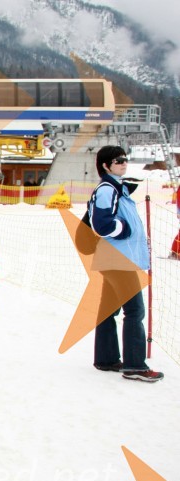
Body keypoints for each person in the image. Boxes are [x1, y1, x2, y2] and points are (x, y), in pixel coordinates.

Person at [88, 145, 164, 382]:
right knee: (135, 311)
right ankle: (134, 366)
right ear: (105, 165)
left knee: (109, 310)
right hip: (118, 260)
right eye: (118, 160)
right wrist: (124, 229)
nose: (123, 163)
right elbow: (101, 224)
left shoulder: (117, 189)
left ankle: (106, 358)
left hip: (118, 258)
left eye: (125, 159)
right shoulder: (107, 190)